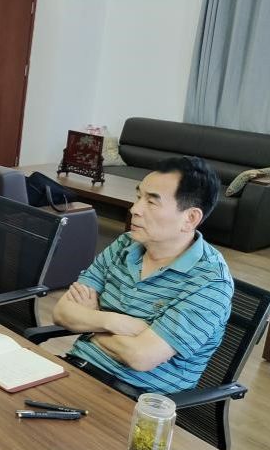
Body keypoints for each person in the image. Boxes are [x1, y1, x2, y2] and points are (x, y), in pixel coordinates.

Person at [53, 156, 234, 395]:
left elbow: (140, 357)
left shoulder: (210, 281)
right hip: (76, 369)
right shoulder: (126, 244)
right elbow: (62, 312)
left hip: (135, 398)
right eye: (139, 197)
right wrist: (113, 322)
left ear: (190, 218)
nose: (135, 209)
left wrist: (90, 321)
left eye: (151, 202)